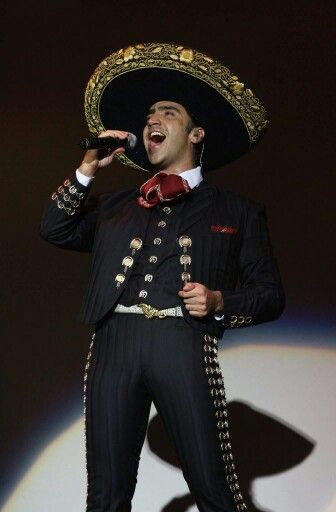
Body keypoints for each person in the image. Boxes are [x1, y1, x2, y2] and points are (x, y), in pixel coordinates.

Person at [40, 43, 285, 512]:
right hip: (115, 342)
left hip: (182, 341)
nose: (152, 119)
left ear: (196, 133)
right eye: (149, 113)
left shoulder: (237, 210)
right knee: (105, 496)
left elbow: (271, 295)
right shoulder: (115, 206)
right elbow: (54, 228)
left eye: (167, 112)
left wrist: (218, 302)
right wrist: (86, 171)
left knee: (215, 492)